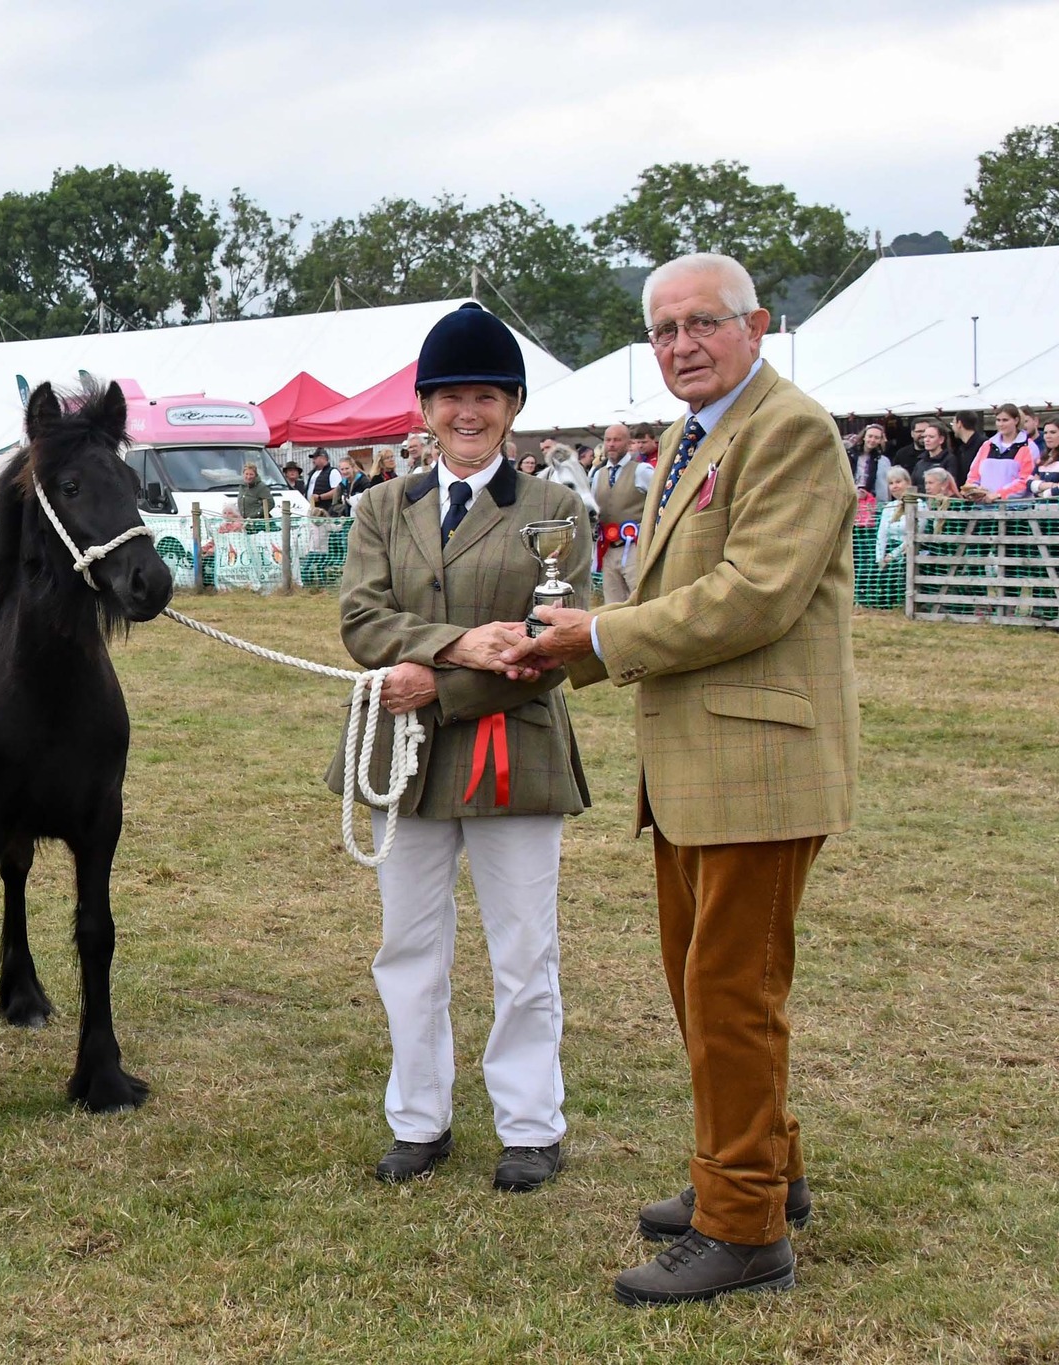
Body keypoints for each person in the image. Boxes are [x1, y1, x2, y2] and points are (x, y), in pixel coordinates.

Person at [502, 252, 857, 1306]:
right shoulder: (690, 436)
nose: (680, 346)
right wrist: (583, 636)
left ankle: (743, 1231)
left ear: (756, 328)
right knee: (705, 987)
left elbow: (751, 596)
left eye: (701, 323)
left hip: (759, 768)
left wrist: (598, 637)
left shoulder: (787, 430)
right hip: (699, 766)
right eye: (661, 331)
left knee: (729, 993)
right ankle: (757, 1171)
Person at [328, 301, 590, 1199]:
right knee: (408, 944)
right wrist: (453, 645)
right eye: (450, 397)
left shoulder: (556, 509)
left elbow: (554, 642)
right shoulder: (380, 506)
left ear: (512, 406)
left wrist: (442, 680)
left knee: (522, 948)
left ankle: (529, 1126)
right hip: (401, 754)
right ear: (425, 407)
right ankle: (418, 1119)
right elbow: (362, 619)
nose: (466, 412)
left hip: (514, 748)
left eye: (484, 396)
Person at [590, 423, 653, 606]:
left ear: (628, 443)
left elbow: (661, 502)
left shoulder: (642, 471)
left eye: (617, 440)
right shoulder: (598, 475)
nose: (611, 444)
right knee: (612, 604)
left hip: (634, 547)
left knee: (640, 599)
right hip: (607, 550)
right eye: (608, 440)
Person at [962, 403, 1038, 502]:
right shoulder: (987, 445)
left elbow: (1026, 480)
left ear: (1016, 420)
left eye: (1005, 420)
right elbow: (974, 475)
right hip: (983, 508)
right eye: (998, 420)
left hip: (1016, 509)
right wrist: (972, 490)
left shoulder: (1028, 446)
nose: (1001, 424)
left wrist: (999, 494)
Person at [908, 418, 955, 489]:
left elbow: (949, 485)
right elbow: (912, 485)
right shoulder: (920, 462)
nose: (926, 440)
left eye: (931, 437)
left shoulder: (949, 460)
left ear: (941, 439)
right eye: (925, 437)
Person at [852, 425, 893, 504]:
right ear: (864, 437)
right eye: (870, 436)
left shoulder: (883, 460)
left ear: (880, 440)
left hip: (874, 502)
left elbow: (885, 485)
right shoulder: (850, 455)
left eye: (876, 438)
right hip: (852, 499)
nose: (872, 440)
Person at [950, 411, 985, 484]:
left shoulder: (984, 444)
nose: (952, 427)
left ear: (959, 424)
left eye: (953, 423)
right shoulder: (961, 449)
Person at [1032, 421, 1059, 496]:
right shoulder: (1042, 459)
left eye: (1053, 432)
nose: (1048, 436)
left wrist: (1045, 493)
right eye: (1045, 433)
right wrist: (1052, 485)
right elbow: (1029, 483)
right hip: (1040, 506)